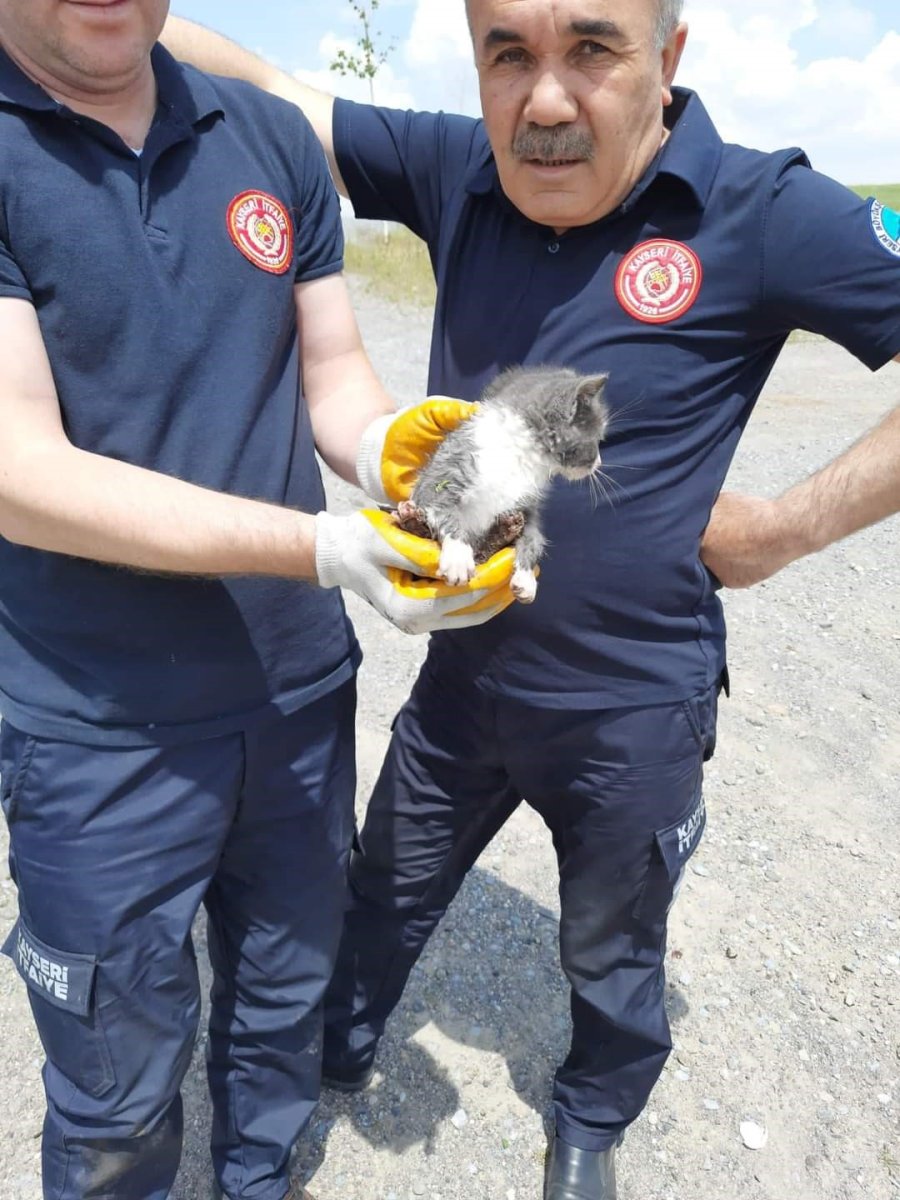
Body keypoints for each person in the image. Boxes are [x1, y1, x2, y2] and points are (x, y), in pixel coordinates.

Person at [163, 1, 900, 1197]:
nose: (545, 102)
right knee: (383, 890)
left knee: (614, 950)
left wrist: (783, 527)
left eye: (593, 49)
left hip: (635, 713)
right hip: (465, 679)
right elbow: (270, 85)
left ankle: (593, 1116)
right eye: (509, 53)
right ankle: (336, 1051)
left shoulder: (759, 211)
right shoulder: (461, 167)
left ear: (669, 59)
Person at [0, 2, 517, 1199]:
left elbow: (330, 370)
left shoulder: (266, 135)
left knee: (283, 1006)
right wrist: (327, 551)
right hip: (97, 732)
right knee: (118, 1089)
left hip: (294, 694)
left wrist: (410, 460)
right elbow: (21, 474)